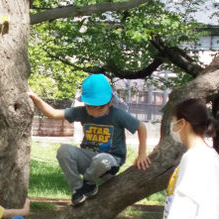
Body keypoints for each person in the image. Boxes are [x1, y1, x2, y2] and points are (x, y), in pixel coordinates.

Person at [28, 74, 151, 205]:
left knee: (101, 159)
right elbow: (53, 113)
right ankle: (78, 189)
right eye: (89, 107)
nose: (94, 112)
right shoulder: (82, 112)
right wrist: (34, 97)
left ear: (110, 102)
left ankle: (89, 182)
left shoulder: (118, 115)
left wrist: (142, 154)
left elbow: (141, 127)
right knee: (64, 150)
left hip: (110, 162)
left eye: (100, 108)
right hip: (89, 160)